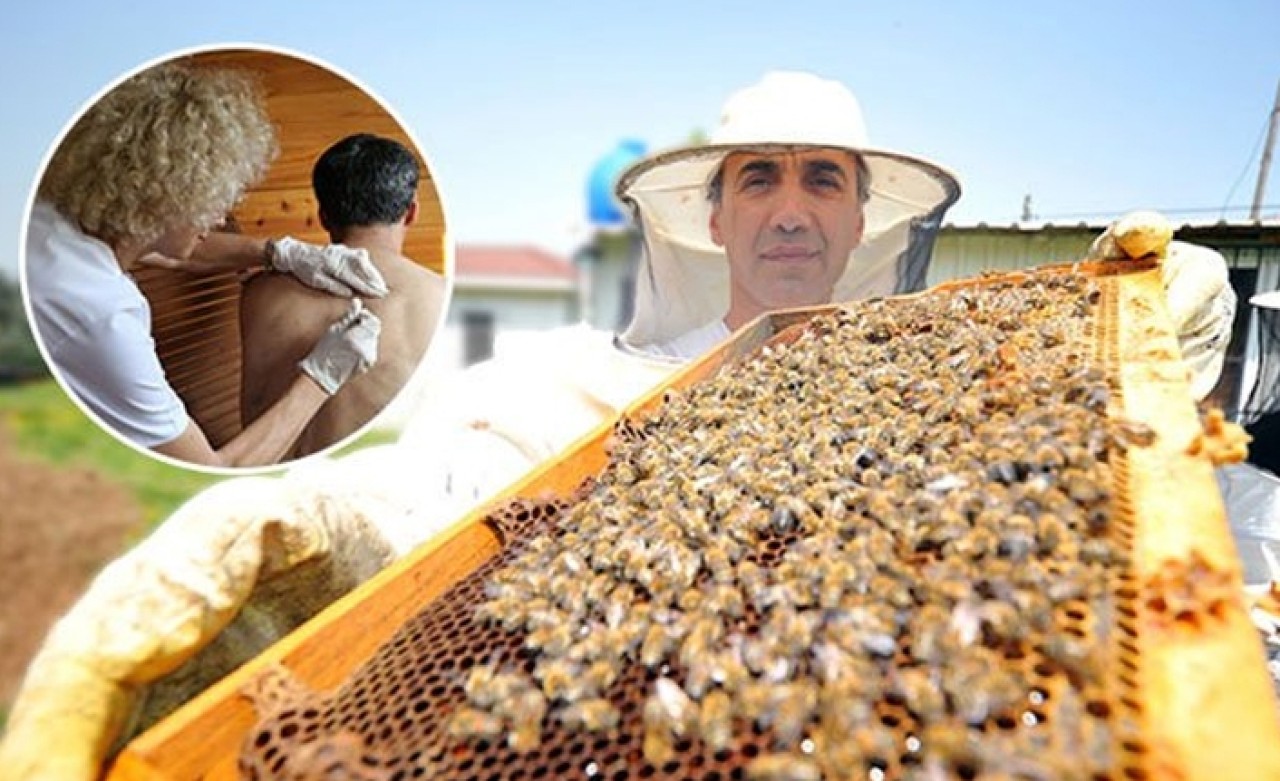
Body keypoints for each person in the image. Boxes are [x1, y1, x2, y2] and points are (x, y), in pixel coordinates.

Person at [0, 71, 1238, 779]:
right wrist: (315, 521)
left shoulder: (986, 385)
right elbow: (451, 491)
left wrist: (1145, 342)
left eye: (823, 177)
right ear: (711, 217)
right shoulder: (572, 378)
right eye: (759, 174)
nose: (792, 208)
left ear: (864, 219)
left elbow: (1147, 530)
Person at [24, 61, 388, 469]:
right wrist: (323, 376)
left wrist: (279, 252)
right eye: (208, 206)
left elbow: (163, 245)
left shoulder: (56, 213)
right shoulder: (103, 319)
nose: (218, 220)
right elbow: (215, 469)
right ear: (161, 204)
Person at [239, 133, 448, 458]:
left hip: (274, 479)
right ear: (411, 213)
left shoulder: (259, 293)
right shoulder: (438, 298)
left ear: (323, 215)